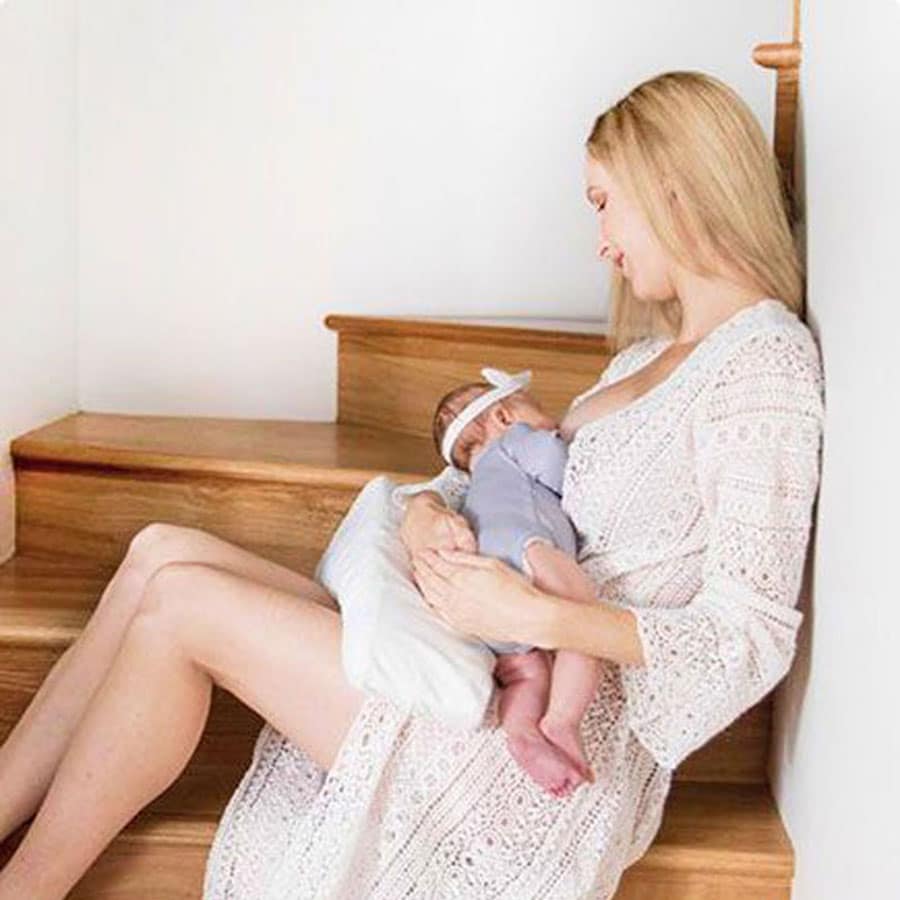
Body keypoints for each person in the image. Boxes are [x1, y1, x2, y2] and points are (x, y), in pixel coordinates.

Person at [0, 70, 825, 900]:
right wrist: (429, 510)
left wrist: (533, 615)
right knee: (156, 551)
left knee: (182, 604)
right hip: (466, 641)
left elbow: (748, 636)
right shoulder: (646, 358)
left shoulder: (764, 367)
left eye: (603, 202)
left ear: (670, 186)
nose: (600, 239)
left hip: (514, 745)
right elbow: (515, 485)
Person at [430, 368, 604, 797]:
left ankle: (522, 732)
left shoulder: (478, 485)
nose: (549, 420)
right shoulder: (515, 442)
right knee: (584, 624)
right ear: (505, 418)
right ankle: (561, 720)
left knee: (525, 673)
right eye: (537, 409)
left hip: (481, 588)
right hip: (524, 546)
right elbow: (560, 472)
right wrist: (560, 443)